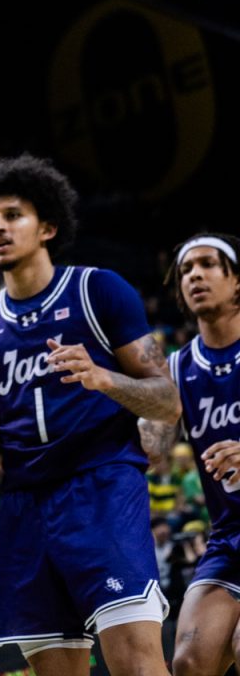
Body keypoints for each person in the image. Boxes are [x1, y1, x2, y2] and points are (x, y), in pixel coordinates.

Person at [0, 153, 181, 676]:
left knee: (136, 662)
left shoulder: (98, 290)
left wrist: (103, 378)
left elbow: (167, 398)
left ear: (47, 227)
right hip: (24, 508)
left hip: (102, 488)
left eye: (12, 215)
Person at [139, 232, 240, 675]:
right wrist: (125, 388)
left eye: (208, 264)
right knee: (189, 663)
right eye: (185, 270)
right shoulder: (177, 368)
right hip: (229, 534)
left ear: (236, 280)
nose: (195, 275)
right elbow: (152, 453)